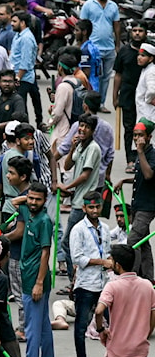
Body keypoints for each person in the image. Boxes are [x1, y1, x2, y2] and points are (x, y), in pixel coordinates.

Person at [8, 183, 54, 357]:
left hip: (35, 281)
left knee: (32, 328)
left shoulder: (44, 221)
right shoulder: (28, 212)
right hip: (29, 277)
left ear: (45, 201)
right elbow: (12, 202)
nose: (33, 202)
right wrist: (26, 198)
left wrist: (39, 283)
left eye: (38, 199)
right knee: (43, 325)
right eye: (31, 198)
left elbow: (46, 253)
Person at [69, 191, 112, 357]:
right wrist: (102, 262)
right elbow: (77, 257)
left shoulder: (105, 228)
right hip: (86, 285)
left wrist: (110, 261)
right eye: (91, 207)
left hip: (104, 284)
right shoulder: (78, 230)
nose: (95, 210)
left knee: (114, 323)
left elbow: (108, 251)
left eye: (97, 206)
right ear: (84, 208)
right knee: (81, 326)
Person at [58, 115, 103, 278]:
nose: (82, 129)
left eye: (86, 127)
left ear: (92, 130)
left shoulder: (93, 148)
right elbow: (68, 165)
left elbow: (85, 175)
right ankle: (77, 279)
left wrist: (66, 187)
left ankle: (74, 279)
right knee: (78, 241)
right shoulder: (81, 146)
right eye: (81, 125)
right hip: (77, 198)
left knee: (67, 242)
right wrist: (71, 148)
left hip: (83, 201)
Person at [118, 120, 155, 281]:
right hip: (138, 205)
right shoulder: (143, 154)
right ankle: (148, 278)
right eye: (135, 135)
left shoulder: (150, 155)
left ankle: (129, 279)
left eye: (140, 135)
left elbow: (148, 175)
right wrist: (124, 181)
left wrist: (139, 152)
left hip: (147, 207)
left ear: (149, 137)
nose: (136, 139)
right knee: (143, 244)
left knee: (132, 242)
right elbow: (140, 176)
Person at [80, 0, 121, 112]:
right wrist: (82, 44)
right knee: (92, 75)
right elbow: (82, 25)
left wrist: (117, 44)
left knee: (105, 78)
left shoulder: (113, 6)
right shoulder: (88, 5)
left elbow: (117, 26)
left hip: (109, 48)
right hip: (93, 48)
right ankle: (90, 103)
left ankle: (101, 103)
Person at [115, 25, 146, 170]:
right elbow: (118, 75)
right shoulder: (124, 51)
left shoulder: (150, 52)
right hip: (127, 95)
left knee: (144, 127)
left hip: (146, 97)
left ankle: (144, 160)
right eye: (135, 31)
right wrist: (115, 96)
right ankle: (130, 160)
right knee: (129, 128)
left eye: (140, 31)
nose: (137, 33)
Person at [11, 11, 45, 127]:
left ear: (23, 23)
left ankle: (26, 128)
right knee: (35, 99)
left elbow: (25, 62)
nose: (12, 24)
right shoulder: (18, 35)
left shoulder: (26, 38)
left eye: (14, 21)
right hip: (24, 75)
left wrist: (18, 78)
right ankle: (37, 123)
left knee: (22, 105)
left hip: (23, 77)